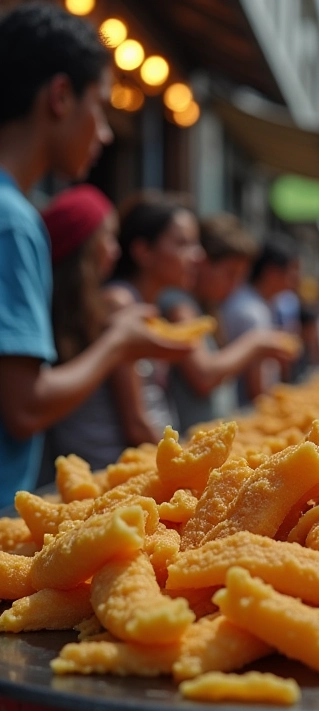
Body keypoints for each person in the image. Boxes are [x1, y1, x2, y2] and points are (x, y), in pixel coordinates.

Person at [0, 4, 191, 506]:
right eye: (100, 106)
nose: (105, 133)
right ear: (60, 96)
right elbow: (23, 407)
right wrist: (118, 343)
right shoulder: (13, 222)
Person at [158, 213, 299, 433]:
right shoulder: (180, 306)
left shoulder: (207, 308)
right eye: (229, 273)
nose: (234, 285)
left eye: (239, 276)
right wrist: (256, 343)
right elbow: (204, 376)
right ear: (203, 265)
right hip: (193, 440)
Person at [38, 184, 127, 481]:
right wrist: (121, 340)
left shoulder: (95, 311)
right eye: (109, 238)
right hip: (82, 475)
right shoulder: (109, 311)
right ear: (85, 249)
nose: (116, 250)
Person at [104, 192, 204, 444]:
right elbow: (136, 424)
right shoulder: (120, 302)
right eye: (182, 244)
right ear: (143, 251)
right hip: (116, 469)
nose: (198, 255)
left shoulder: (152, 304)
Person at [220, 233, 300, 406]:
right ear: (271, 272)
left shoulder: (255, 303)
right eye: (292, 270)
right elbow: (257, 388)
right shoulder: (252, 312)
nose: (296, 279)